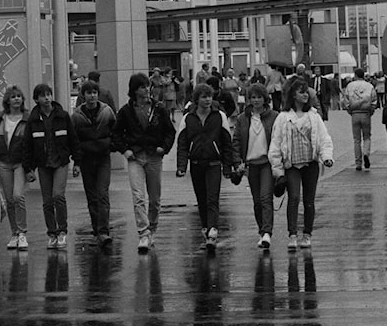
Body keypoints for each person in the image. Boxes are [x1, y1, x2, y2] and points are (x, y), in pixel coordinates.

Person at [268, 77, 334, 251]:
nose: (305, 95)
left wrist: (326, 156)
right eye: (301, 92)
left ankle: (307, 234)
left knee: (309, 200)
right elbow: (276, 144)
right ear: (293, 95)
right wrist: (278, 170)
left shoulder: (313, 116)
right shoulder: (283, 118)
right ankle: (292, 234)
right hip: (292, 166)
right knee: (294, 197)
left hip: (310, 164)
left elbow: (324, 138)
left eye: (306, 92)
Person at [111, 73, 175, 253]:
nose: (146, 90)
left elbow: (170, 131)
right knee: (138, 196)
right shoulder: (125, 111)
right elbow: (116, 134)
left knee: (154, 199)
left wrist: (164, 148)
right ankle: (143, 233)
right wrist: (125, 150)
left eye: (147, 86)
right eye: (142, 87)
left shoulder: (159, 109)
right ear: (134, 90)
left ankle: (152, 227)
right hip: (136, 158)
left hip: (154, 156)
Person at [175, 83, 237, 250]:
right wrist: (182, 166)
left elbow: (226, 142)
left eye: (209, 96)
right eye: (204, 97)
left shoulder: (219, 116)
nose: (208, 100)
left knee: (212, 198)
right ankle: (206, 228)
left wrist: (227, 166)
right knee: (201, 200)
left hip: (214, 163)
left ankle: (212, 231)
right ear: (197, 99)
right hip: (196, 164)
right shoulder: (188, 118)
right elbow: (182, 142)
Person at [22, 83, 78, 251]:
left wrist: (77, 162)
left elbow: (73, 140)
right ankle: (52, 233)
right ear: (36, 99)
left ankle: (62, 231)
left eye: (49, 94)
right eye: (42, 95)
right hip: (43, 164)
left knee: (58, 196)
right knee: (47, 201)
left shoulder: (63, 116)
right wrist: (28, 169)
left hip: (61, 162)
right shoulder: (33, 120)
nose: (46, 98)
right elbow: (28, 146)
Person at [70, 80, 116, 248]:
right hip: (86, 159)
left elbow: (115, 129)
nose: (92, 96)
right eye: (89, 93)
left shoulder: (106, 112)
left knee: (103, 193)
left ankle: (103, 231)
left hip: (103, 157)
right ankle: (97, 228)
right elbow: (73, 140)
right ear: (83, 95)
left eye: (95, 92)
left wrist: (111, 145)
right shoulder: (76, 116)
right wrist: (76, 161)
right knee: (92, 196)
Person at [233, 84, 278, 250]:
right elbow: (236, 141)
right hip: (251, 165)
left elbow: (279, 140)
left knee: (266, 197)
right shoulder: (242, 119)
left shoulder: (274, 117)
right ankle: (261, 230)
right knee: (257, 201)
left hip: (267, 163)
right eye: (253, 97)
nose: (256, 100)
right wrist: (237, 162)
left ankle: (267, 232)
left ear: (265, 98)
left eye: (259, 97)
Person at [0, 85, 31, 250]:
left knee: (18, 196)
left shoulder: (27, 118)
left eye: (19, 96)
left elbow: (30, 143)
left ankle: (22, 233)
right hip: (4, 163)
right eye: (13, 96)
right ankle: (14, 233)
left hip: (20, 163)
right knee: (9, 200)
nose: (17, 99)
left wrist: (30, 167)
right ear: (7, 100)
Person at [342, 67, 376, 171]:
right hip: (366, 113)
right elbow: (374, 100)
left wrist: (350, 111)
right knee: (367, 137)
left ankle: (358, 163)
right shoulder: (369, 86)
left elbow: (346, 100)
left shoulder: (350, 86)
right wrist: (371, 111)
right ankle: (366, 153)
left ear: (355, 75)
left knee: (356, 139)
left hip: (355, 113)